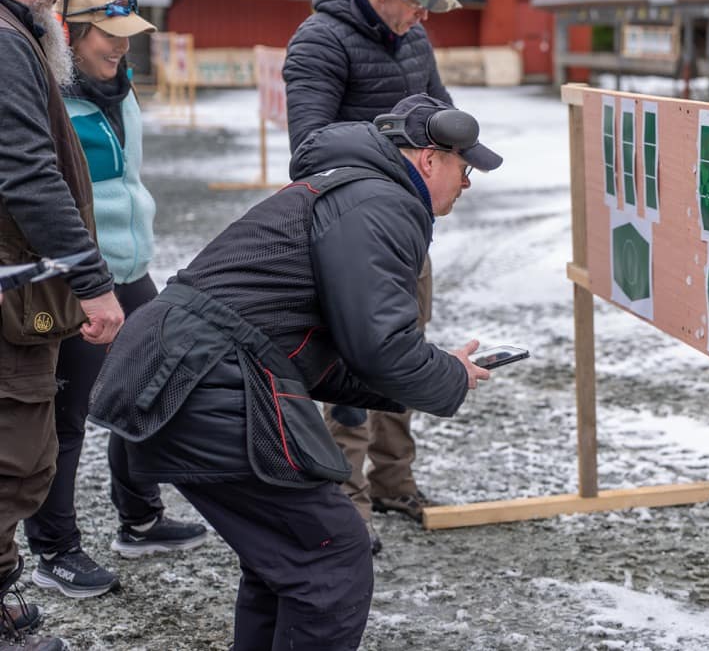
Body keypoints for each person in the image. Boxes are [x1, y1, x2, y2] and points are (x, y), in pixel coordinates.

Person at [88, 95, 501, 650]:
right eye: (464, 167)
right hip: (206, 375)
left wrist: (435, 372)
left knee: (286, 555)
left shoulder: (352, 190)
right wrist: (445, 375)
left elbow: (324, 351)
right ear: (428, 159)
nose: (467, 182)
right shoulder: (381, 201)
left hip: (186, 370)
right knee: (330, 555)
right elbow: (379, 345)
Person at [23, 0, 208, 602]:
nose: (123, 50)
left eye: (129, 37)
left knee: (150, 389)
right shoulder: (45, 96)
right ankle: (55, 549)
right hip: (76, 277)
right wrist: (81, 274)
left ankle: (141, 518)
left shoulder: (117, 91)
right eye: (110, 36)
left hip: (130, 270)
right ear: (69, 35)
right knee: (67, 418)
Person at [283, 0, 463, 541]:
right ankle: (347, 504)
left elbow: (439, 109)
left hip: (408, 225)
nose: (426, 15)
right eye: (417, 2)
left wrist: (454, 157)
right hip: (348, 232)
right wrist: (397, 154)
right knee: (355, 361)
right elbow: (307, 148)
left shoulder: (413, 34)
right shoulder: (320, 41)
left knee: (406, 346)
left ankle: (393, 482)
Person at [0, 0, 124, 651]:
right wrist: (91, 279)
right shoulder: (6, 40)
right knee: (15, 459)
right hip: (17, 289)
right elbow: (26, 170)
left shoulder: (17, 33)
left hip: (18, 282)